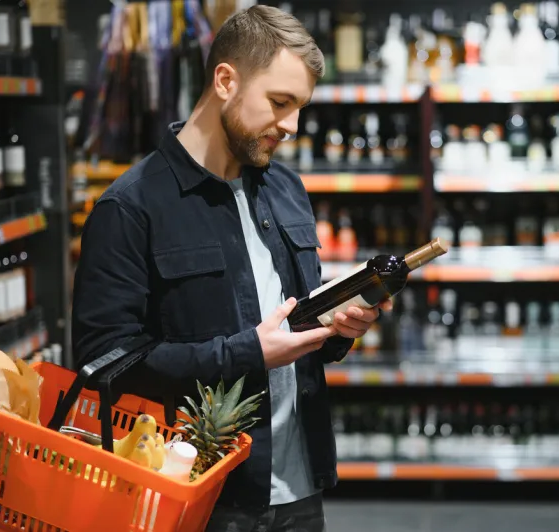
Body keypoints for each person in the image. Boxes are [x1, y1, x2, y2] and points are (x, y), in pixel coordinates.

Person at [72, 5, 392, 531]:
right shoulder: (130, 208)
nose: (291, 125)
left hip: (301, 488)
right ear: (225, 80)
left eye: (300, 107)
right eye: (279, 102)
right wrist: (248, 354)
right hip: (201, 498)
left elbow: (298, 329)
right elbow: (104, 366)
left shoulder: (287, 190)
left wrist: (339, 328)